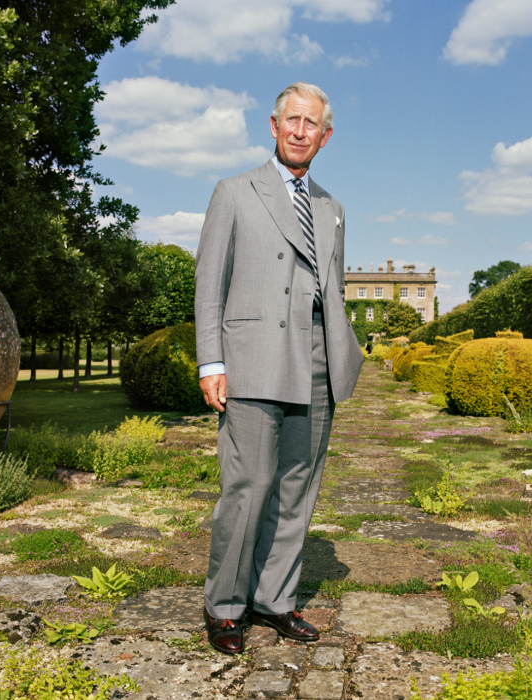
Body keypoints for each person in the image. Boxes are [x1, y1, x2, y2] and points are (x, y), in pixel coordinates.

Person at [194, 82, 363, 654]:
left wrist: (346, 352)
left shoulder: (334, 209)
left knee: (299, 488)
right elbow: (209, 282)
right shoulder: (235, 192)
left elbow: (332, 289)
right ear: (273, 125)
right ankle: (225, 607)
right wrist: (211, 360)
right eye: (291, 119)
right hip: (253, 360)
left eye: (310, 123)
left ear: (326, 135)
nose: (299, 130)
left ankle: (274, 598)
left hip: (317, 363)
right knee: (248, 485)